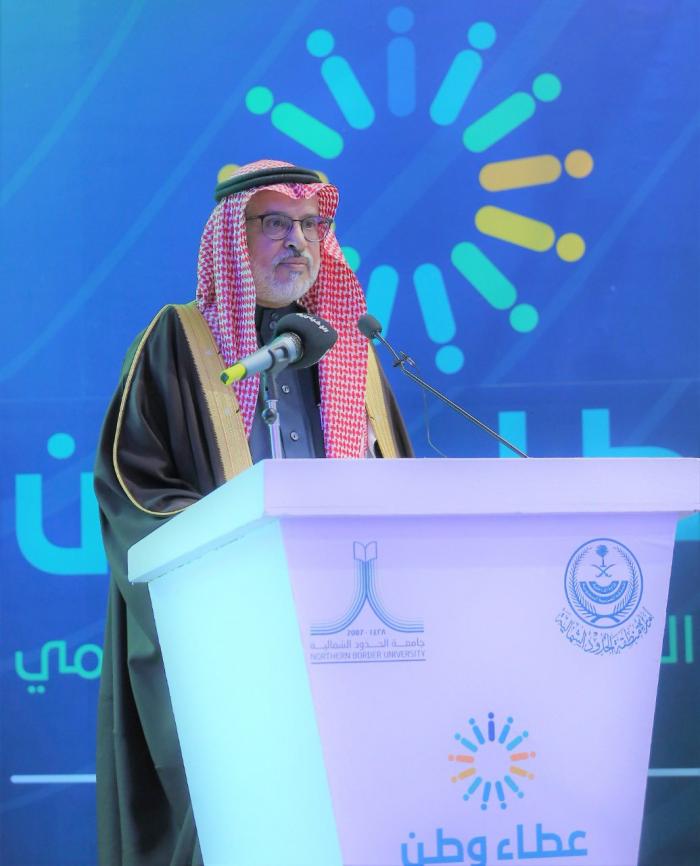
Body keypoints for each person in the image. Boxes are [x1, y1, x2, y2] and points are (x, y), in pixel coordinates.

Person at [94, 159, 412, 865]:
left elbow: (397, 492)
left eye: (310, 224)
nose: (298, 241)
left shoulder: (350, 353)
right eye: (275, 224)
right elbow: (135, 488)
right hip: (229, 642)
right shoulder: (179, 343)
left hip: (350, 635)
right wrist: (238, 573)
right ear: (232, 239)